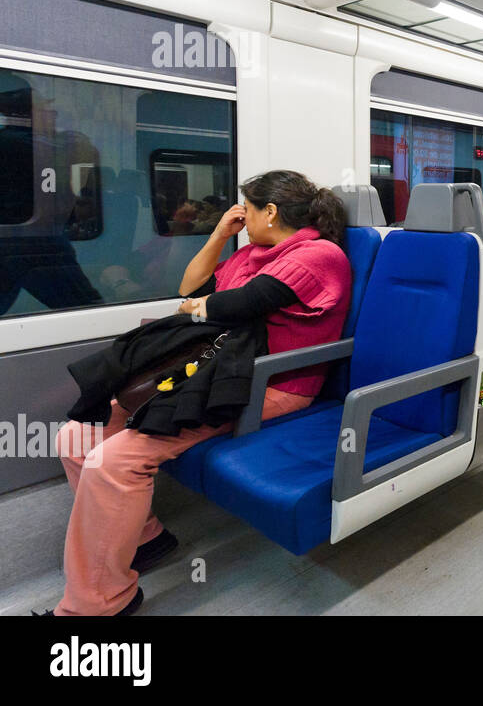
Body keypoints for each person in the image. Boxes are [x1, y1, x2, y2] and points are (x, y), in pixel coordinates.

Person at [45, 170, 352, 616]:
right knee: (77, 437)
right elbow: (189, 289)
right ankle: (147, 541)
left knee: (114, 460)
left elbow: (239, 304)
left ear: (270, 211)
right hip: (218, 371)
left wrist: (199, 308)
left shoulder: (318, 254)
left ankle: (97, 604)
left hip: (274, 383)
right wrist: (217, 235)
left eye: (246, 207)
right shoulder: (255, 251)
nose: (241, 216)